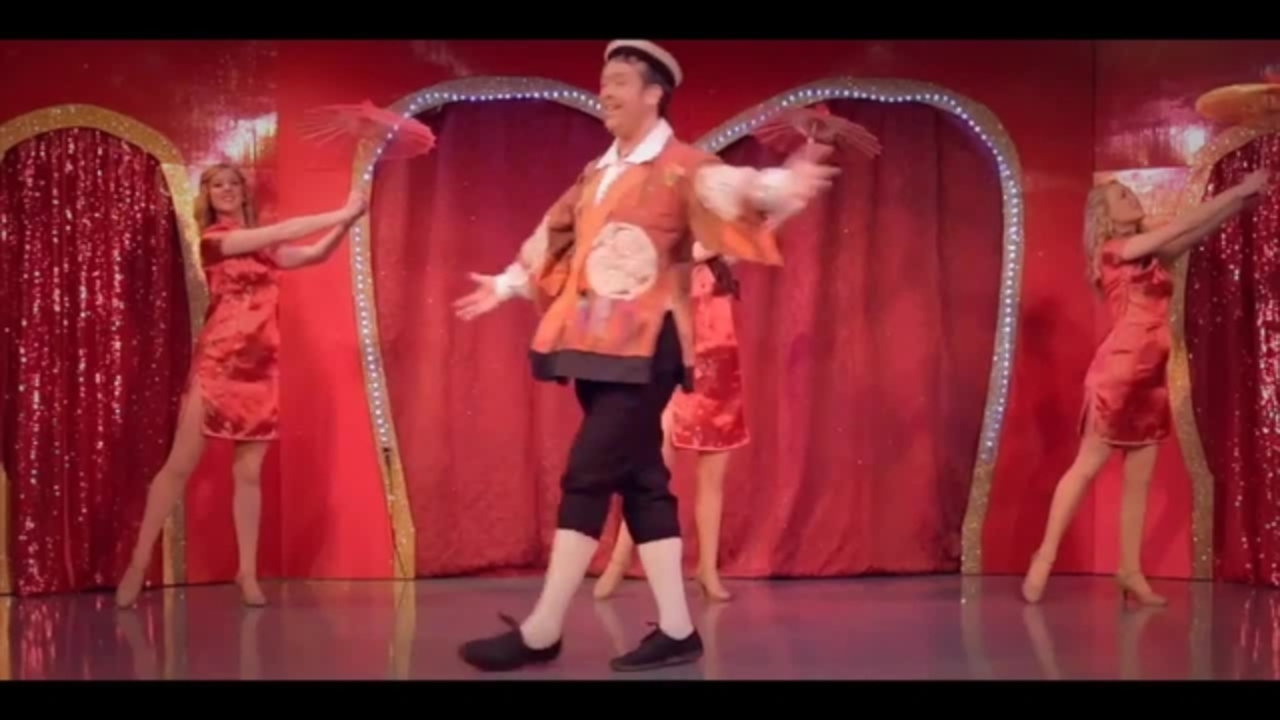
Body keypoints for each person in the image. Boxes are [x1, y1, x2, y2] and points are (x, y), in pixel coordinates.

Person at [452, 39, 838, 672]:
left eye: (619, 82)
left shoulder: (682, 166)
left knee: (586, 472)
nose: (605, 92)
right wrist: (506, 284)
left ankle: (543, 629)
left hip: (646, 347)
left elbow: (734, 188)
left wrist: (784, 186)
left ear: (654, 93)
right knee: (642, 482)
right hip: (593, 345)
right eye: (603, 81)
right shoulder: (597, 173)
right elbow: (555, 232)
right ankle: (679, 631)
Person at [114, 163, 368, 609]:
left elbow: (313, 254)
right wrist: (341, 210)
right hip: (219, 361)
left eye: (233, 184)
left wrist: (348, 221)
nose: (227, 190)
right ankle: (137, 564)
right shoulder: (215, 241)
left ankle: (246, 573)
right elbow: (285, 231)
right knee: (179, 466)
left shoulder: (263, 249)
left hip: (260, 369)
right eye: (218, 185)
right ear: (208, 195)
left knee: (249, 474)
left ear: (243, 193)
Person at [1021, 169, 1272, 606]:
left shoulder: (1149, 254)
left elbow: (1192, 234)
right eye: (1121, 196)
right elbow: (1179, 225)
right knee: (1086, 467)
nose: (1132, 197)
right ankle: (1044, 555)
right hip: (1119, 372)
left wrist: (1238, 205)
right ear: (1106, 216)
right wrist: (1238, 190)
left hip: (1151, 377)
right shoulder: (1113, 250)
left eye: (1130, 192)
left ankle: (1130, 571)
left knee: (1139, 479)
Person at [594, 248, 746, 602]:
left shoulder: (721, 260)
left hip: (721, 381)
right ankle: (618, 562)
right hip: (680, 377)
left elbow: (756, 235)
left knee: (712, 481)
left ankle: (707, 570)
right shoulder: (678, 258)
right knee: (651, 474)